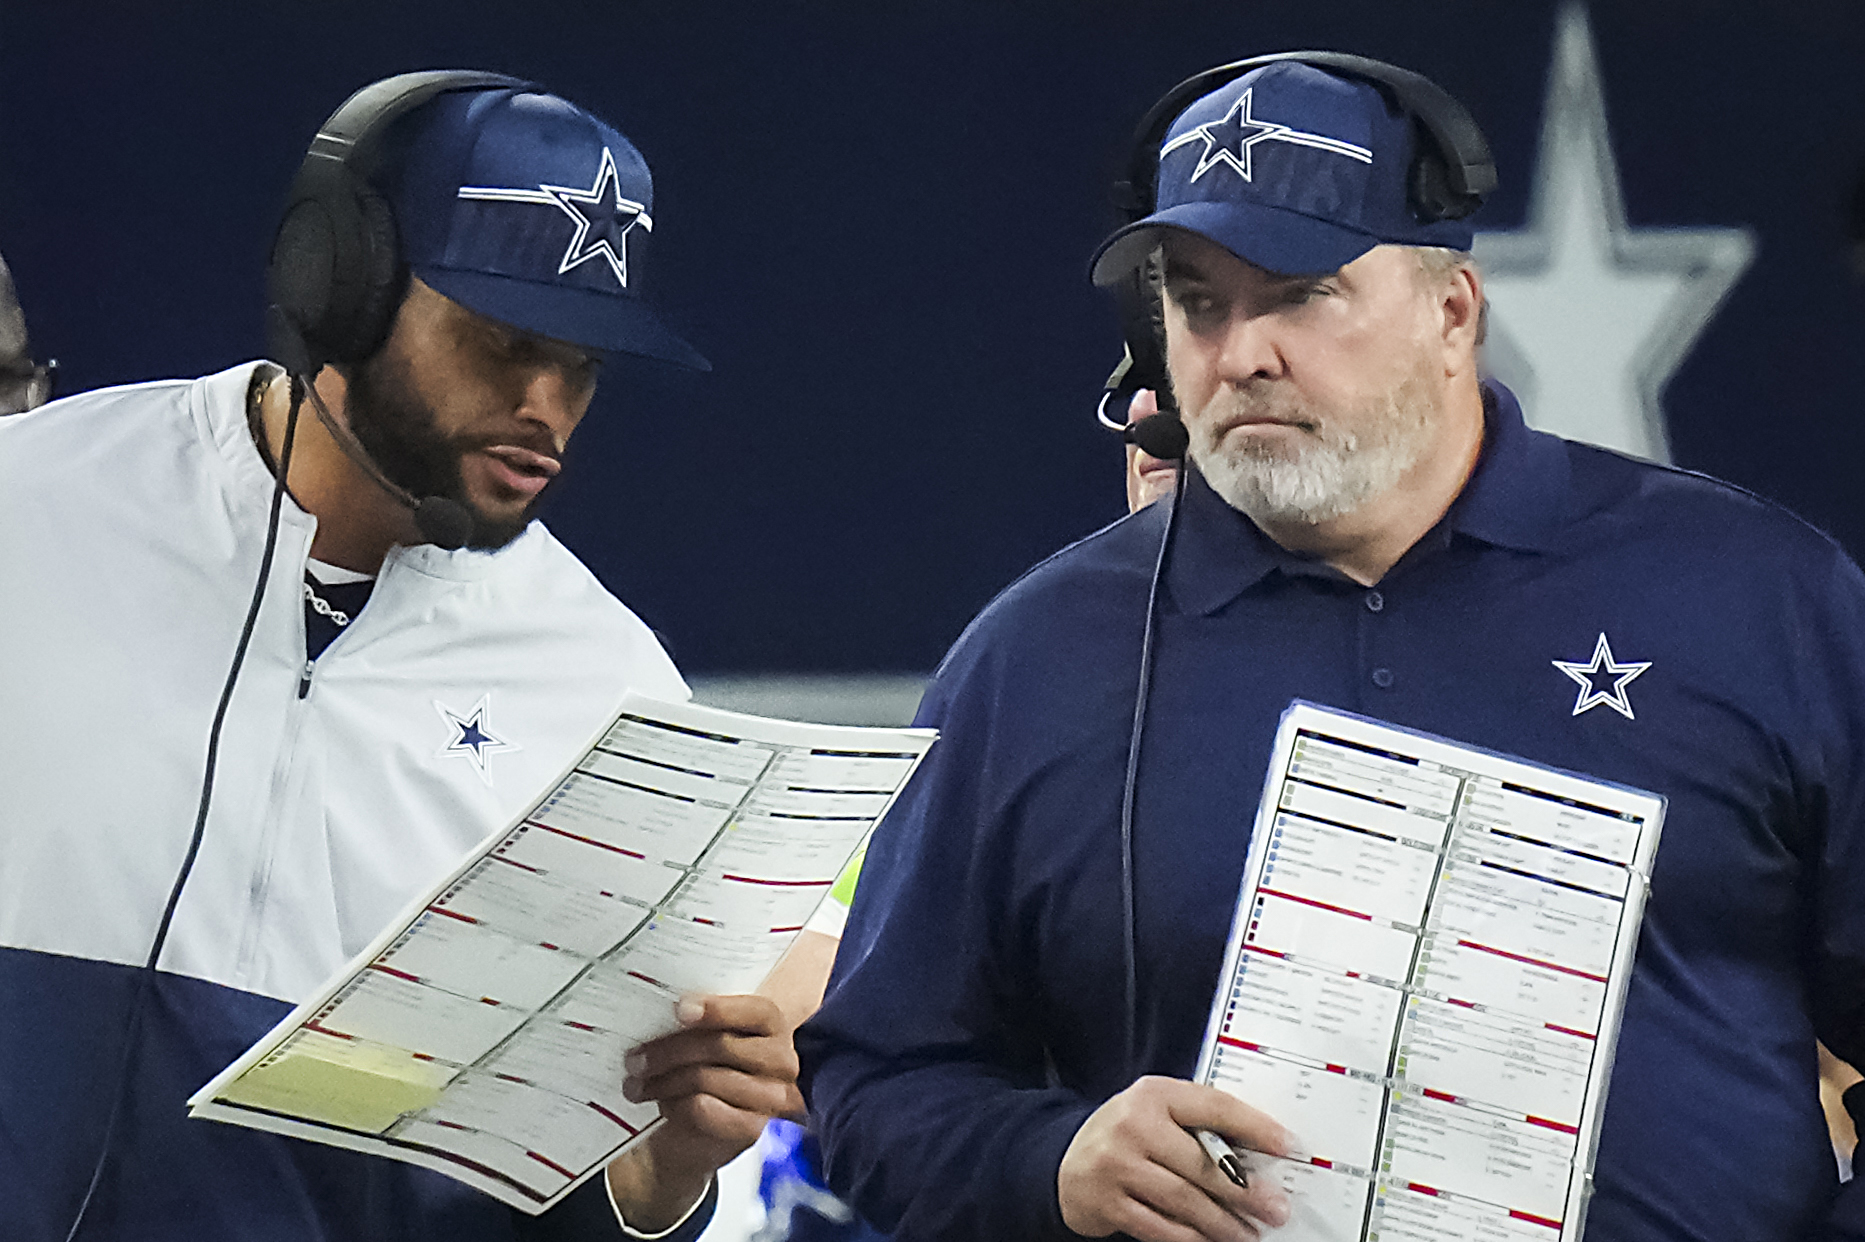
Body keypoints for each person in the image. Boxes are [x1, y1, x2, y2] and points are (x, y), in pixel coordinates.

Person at [798, 55, 1865, 1242]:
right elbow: (875, 1077)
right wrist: (1047, 1163)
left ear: (1452, 312)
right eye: (1198, 302)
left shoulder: (1757, 597)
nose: (1239, 351)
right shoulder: (1031, 659)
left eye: (1299, 292)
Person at [0, 76, 801, 1242]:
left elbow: (602, 1191)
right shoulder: (34, 508)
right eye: (503, 343)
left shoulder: (607, 688)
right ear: (344, 293)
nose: (548, 408)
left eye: (581, 364)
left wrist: (666, 1174)